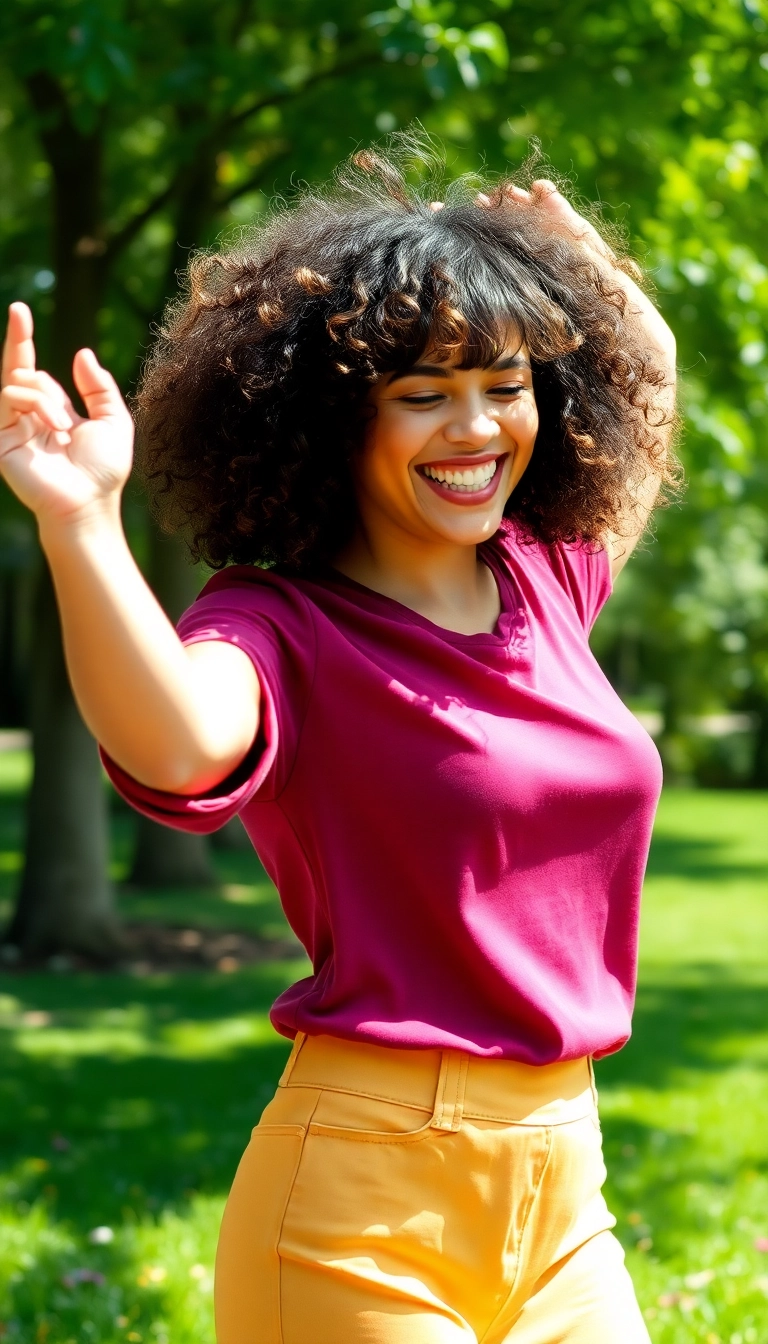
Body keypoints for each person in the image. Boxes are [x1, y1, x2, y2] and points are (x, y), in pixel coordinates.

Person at [0, 139, 677, 1343]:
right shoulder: (281, 625)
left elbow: (652, 384)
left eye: (505, 382)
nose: (476, 428)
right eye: (423, 395)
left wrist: (585, 269)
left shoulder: (549, 581)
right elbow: (177, 744)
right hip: (360, 1205)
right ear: (331, 421)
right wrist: (81, 526)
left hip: (569, 1196)